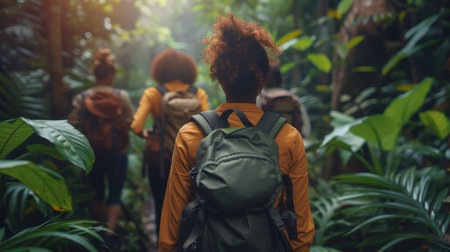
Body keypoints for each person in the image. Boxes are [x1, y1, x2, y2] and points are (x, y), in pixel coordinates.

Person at [159, 14, 315, 251]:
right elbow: (301, 225)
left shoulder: (191, 134)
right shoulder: (288, 137)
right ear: (263, 79)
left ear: (218, 78)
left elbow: (172, 224)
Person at [130, 49, 209, 236]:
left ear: (160, 70)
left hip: (161, 161)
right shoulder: (198, 93)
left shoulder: (153, 93)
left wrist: (146, 134)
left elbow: (136, 126)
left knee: (161, 207)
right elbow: (207, 127)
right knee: (192, 206)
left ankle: (163, 245)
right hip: (193, 161)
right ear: (189, 71)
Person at [68, 48, 134, 246]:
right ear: (111, 76)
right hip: (118, 151)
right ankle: (108, 236)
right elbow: (130, 121)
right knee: (115, 192)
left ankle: (97, 234)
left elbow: (72, 123)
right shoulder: (121, 96)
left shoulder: (83, 97)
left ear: (94, 75)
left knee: (97, 192)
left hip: (91, 153)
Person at [258, 65, 311, 138]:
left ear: (263, 80)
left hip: (267, 146)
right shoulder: (294, 99)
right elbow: (306, 131)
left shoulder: (261, 99)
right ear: (282, 79)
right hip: (292, 144)